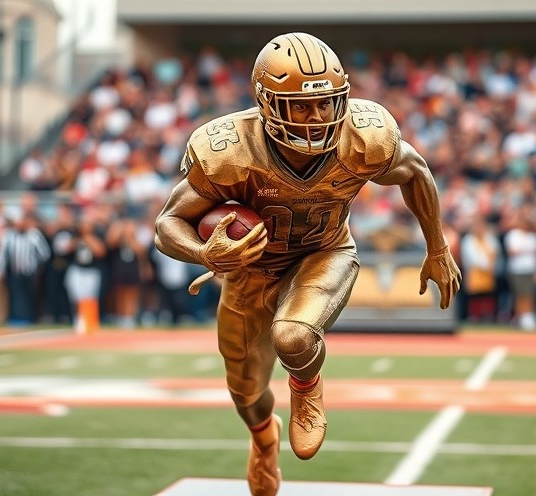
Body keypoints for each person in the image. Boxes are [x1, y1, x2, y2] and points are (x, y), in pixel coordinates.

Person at [153, 33, 461, 496]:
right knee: (246, 393)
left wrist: (437, 247)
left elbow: (416, 171)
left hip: (324, 253)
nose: (316, 117)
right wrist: (204, 253)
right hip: (249, 274)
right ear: (265, 102)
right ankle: (263, 440)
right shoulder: (229, 149)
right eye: (299, 106)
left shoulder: (364, 134)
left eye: (326, 103)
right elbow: (168, 223)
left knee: (293, 335)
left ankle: (306, 384)